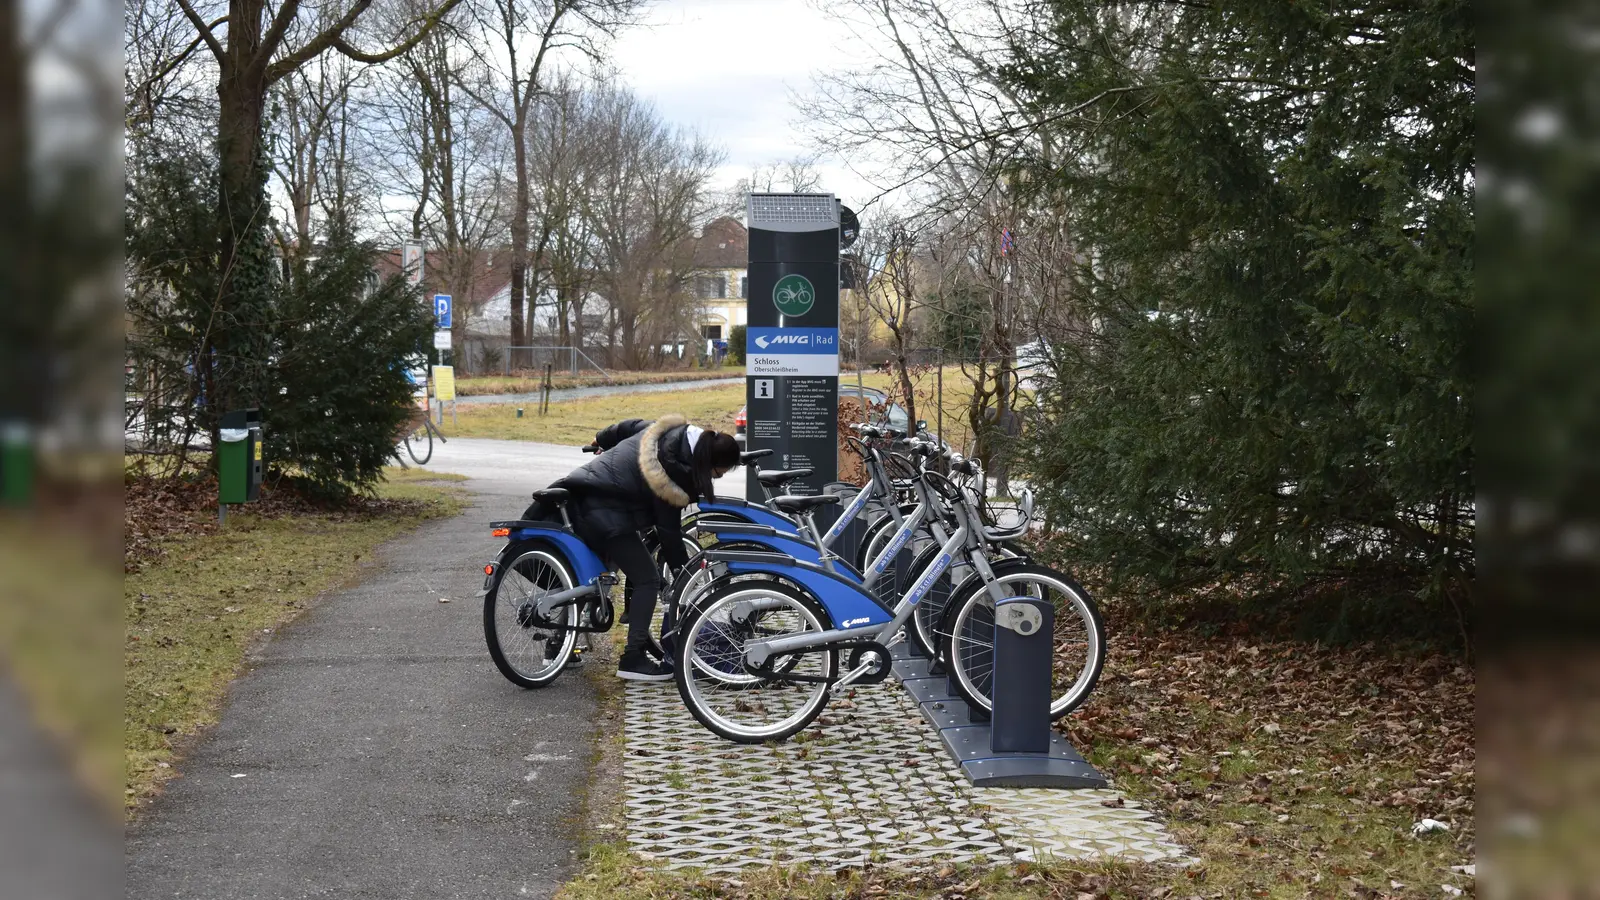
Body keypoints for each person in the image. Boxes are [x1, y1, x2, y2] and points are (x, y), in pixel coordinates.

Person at [528, 414, 742, 681]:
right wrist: (683, 573)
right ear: (707, 462)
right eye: (717, 473)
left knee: (589, 579)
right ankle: (633, 658)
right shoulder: (676, 473)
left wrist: (600, 438)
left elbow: (627, 427)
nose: (715, 478)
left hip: (583, 496)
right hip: (607, 512)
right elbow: (668, 531)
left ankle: (558, 647)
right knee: (647, 579)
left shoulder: (668, 431)